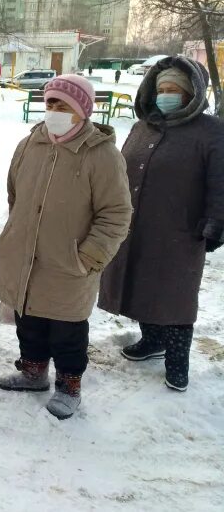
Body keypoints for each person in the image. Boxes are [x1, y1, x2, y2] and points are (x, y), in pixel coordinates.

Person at [0, 74, 131, 419]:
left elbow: (116, 213)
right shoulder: (30, 144)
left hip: (70, 263)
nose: (54, 110)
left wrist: (88, 257)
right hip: (25, 257)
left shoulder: (102, 155)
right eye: (50, 103)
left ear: (82, 110)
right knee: (29, 321)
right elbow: (15, 193)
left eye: (63, 105)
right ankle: (33, 372)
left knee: (67, 331)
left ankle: (69, 386)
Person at [98, 57, 224, 391]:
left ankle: (178, 361)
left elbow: (221, 181)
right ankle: (152, 340)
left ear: (191, 94)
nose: (165, 95)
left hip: (180, 230)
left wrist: (216, 221)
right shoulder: (143, 127)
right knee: (140, 283)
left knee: (176, 296)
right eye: (161, 89)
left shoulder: (210, 131)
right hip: (136, 224)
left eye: (174, 90)